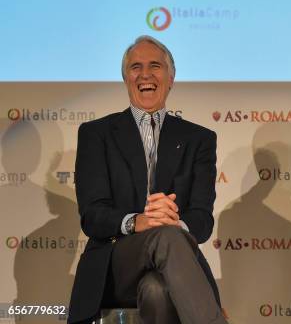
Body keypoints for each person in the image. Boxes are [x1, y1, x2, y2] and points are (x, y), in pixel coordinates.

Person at [68, 36, 227, 324]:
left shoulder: (199, 139)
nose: (145, 74)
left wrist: (174, 222)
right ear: (126, 79)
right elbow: (92, 216)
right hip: (114, 263)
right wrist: (137, 221)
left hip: (170, 266)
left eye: (155, 66)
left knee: (157, 290)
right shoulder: (97, 134)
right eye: (135, 67)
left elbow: (202, 222)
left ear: (171, 78)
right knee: (165, 235)